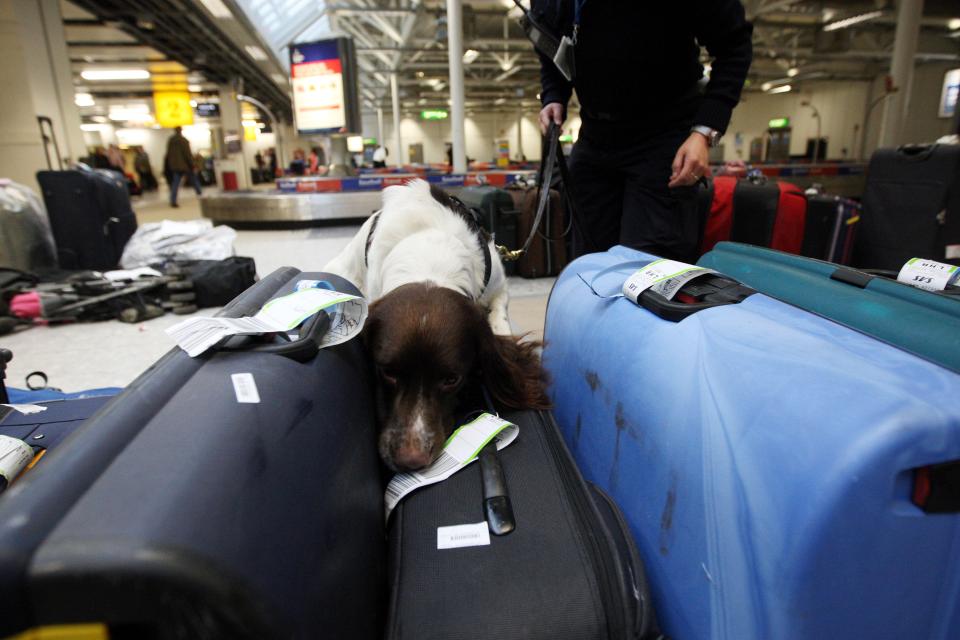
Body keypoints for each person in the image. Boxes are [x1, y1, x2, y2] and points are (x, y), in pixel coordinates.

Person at [534, 1, 752, 261]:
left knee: (649, 266)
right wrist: (554, 95)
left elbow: (734, 46)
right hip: (595, 134)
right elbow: (550, 46)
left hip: (664, 134)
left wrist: (704, 132)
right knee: (588, 263)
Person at [165, 126, 202, 207]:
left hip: (175, 166)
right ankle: (201, 195)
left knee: (175, 184)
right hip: (185, 165)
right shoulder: (183, 140)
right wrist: (192, 165)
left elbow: (168, 154)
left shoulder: (171, 141)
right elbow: (187, 154)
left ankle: (173, 200)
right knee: (194, 180)